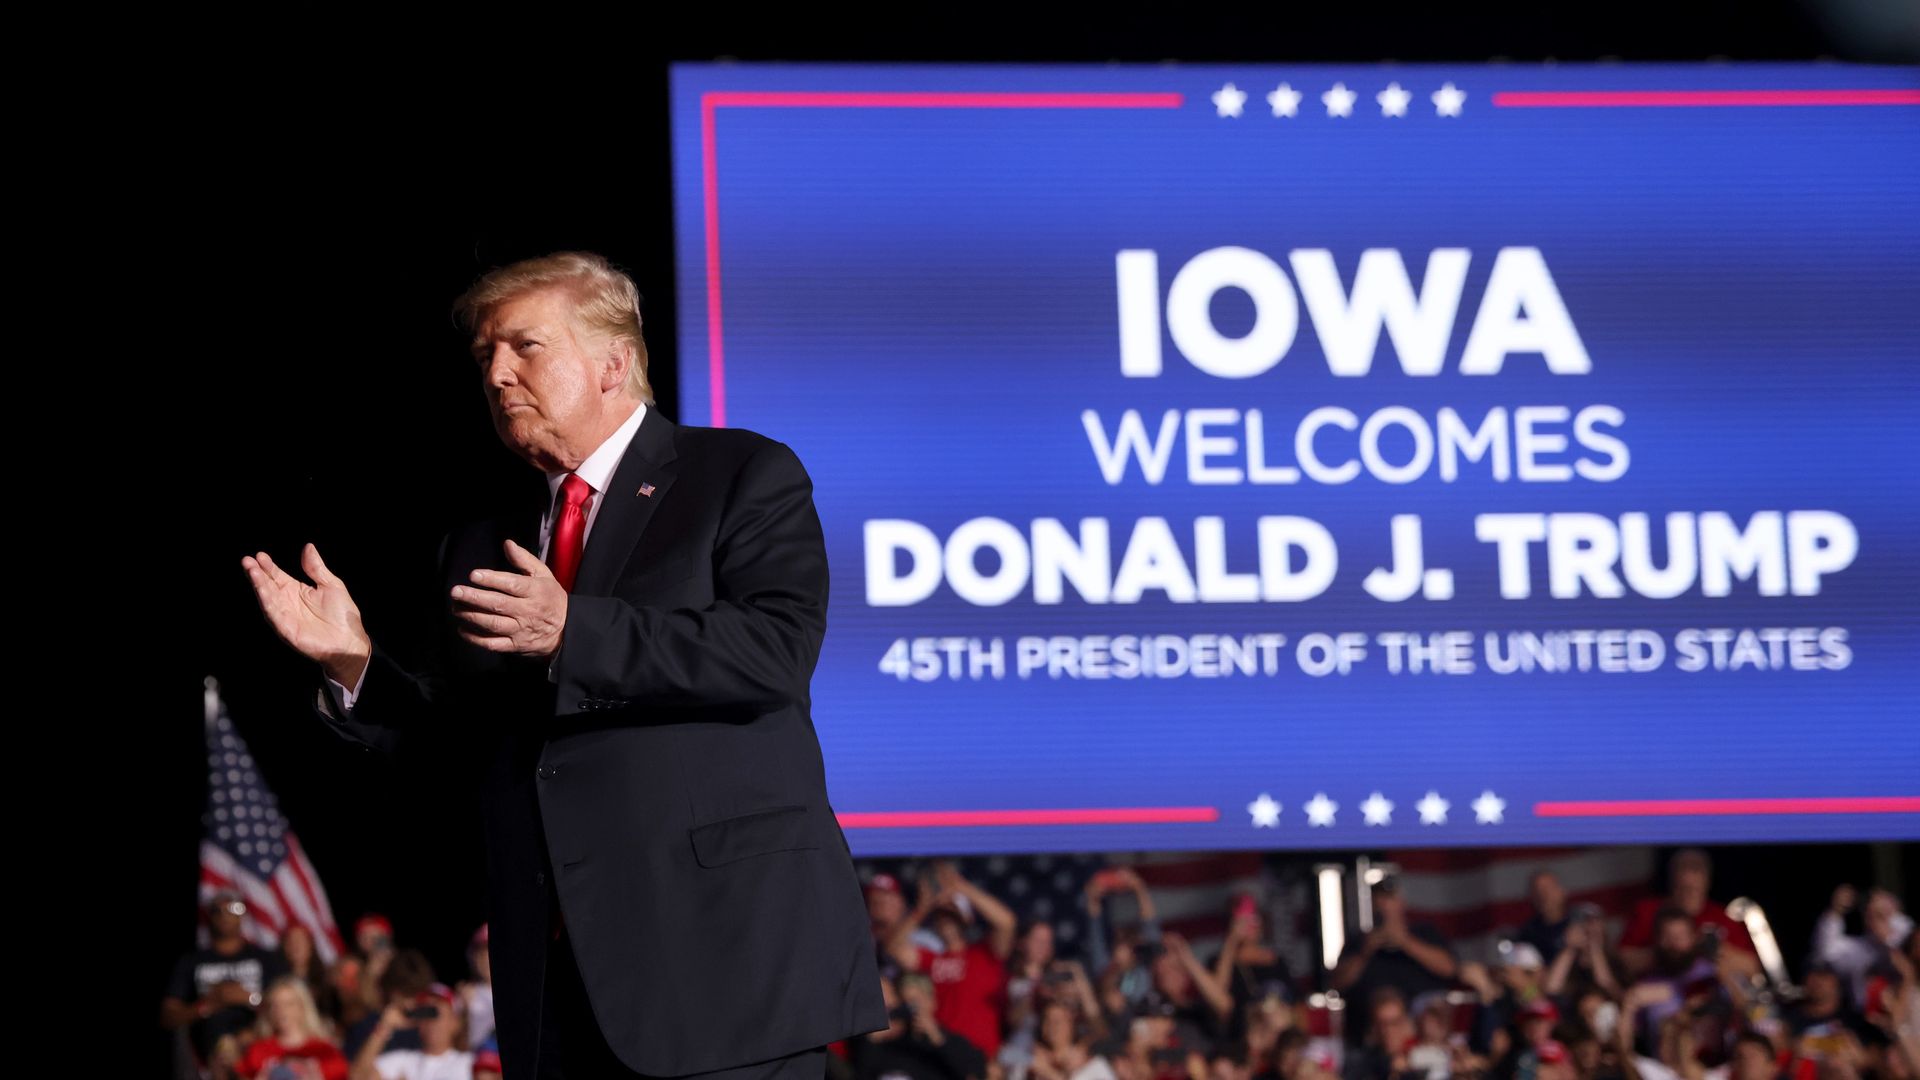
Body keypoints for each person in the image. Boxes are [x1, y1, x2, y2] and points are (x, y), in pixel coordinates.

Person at [242, 251, 887, 1078]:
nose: (498, 373)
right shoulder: (480, 544)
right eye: (485, 357)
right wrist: (355, 663)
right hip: (554, 978)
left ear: (614, 361)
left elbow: (774, 650)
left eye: (524, 347)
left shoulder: (740, 476)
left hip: (725, 968)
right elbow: (468, 746)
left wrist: (571, 632)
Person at [162, 891, 292, 1073]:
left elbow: (293, 1004)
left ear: (243, 914)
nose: (225, 915)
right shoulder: (192, 961)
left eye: (234, 908)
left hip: (258, 1043)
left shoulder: (266, 959)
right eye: (217, 910)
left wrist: (250, 998)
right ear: (209, 916)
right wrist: (209, 1004)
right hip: (205, 1053)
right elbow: (168, 1016)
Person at [236, 975, 351, 1080]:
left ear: (302, 1007)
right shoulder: (258, 1051)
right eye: (275, 1005)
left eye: (289, 1004)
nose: (281, 1011)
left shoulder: (325, 1051)